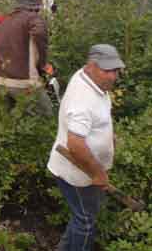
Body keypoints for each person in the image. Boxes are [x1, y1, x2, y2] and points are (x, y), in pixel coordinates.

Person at [47, 44, 125, 251]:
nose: (113, 76)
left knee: (81, 215)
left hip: (87, 172)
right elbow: (75, 144)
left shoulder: (90, 80)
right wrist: (97, 173)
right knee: (86, 222)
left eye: (116, 70)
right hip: (79, 173)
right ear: (91, 66)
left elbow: (96, 117)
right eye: (107, 70)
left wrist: (109, 135)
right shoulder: (82, 99)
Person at [0, 0, 54, 117]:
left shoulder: (4, 21)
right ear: (35, 8)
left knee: (2, 122)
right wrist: (42, 65)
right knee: (47, 115)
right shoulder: (33, 18)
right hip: (23, 81)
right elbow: (40, 33)